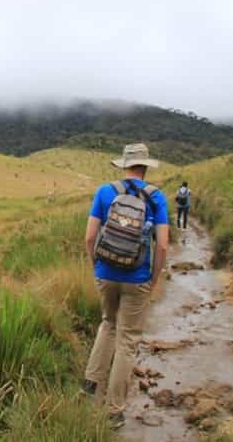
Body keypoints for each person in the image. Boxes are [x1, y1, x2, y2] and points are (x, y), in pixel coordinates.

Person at [81, 143, 170, 429]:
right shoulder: (157, 197)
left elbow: (89, 237)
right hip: (138, 276)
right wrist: (153, 279)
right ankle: (115, 410)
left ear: (123, 165)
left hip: (105, 272)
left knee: (107, 323)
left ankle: (91, 385)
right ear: (145, 167)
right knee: (128, 339)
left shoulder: (105, 192)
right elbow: (163, 246)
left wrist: (97, 267)